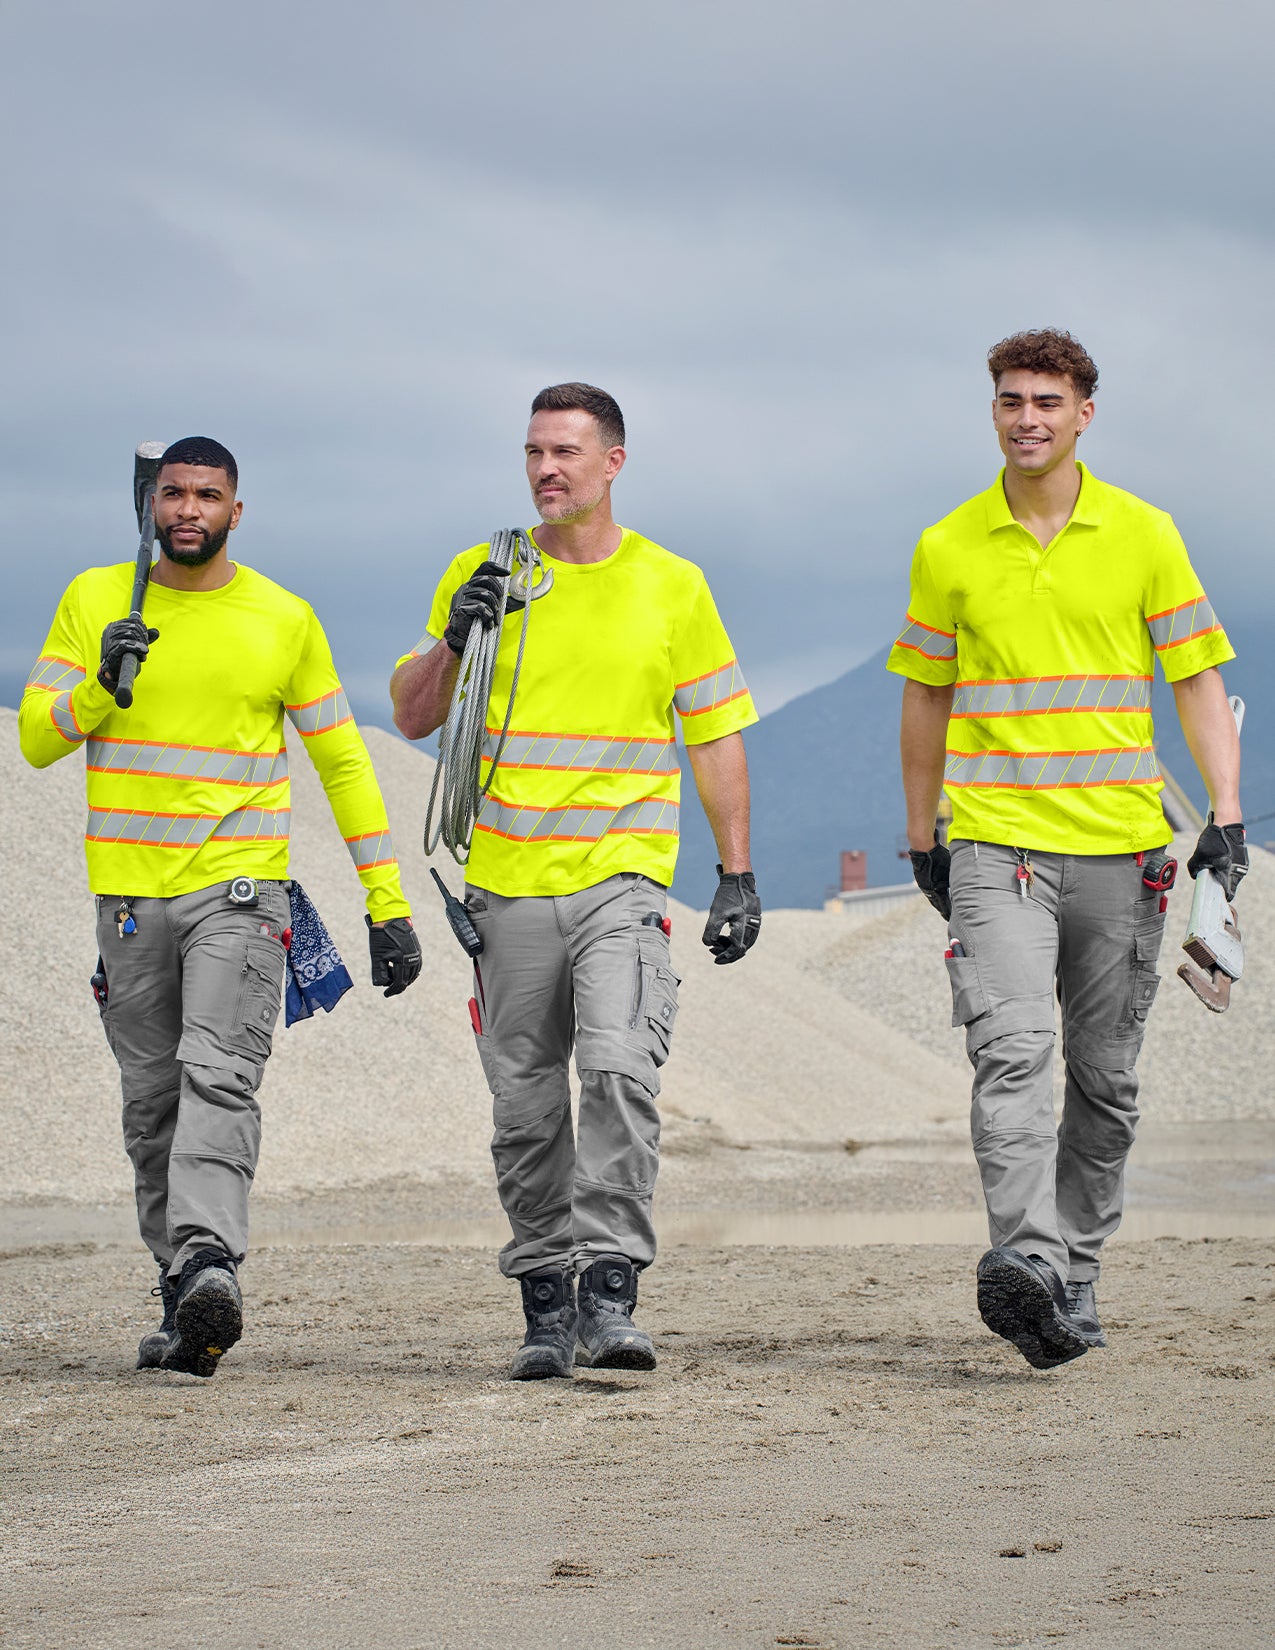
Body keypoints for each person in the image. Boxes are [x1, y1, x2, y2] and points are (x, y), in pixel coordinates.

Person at [20, 436, 422, 1378]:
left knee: (217, 1076)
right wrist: (95, 691)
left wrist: (386, 901)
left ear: (237, 511)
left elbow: (343, 762)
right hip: (125, 902)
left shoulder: (282, 617)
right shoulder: (92, 601)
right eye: (172, 494)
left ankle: (209, 1255)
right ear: (149, 505)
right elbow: (38, 740)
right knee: (150, 1105)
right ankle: (184, 1295)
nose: (188, 509)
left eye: (208, 495)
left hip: (240, 892)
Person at [889, 331, 1244, 1370]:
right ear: (992, 412)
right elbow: (925, 697)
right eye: (1010, 401)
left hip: (1124, 854)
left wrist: (1223, 813)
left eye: (1047, 400)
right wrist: (923, 834)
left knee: (1104, 1082)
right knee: (1010, 1057)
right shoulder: (947, 544)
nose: (1027, 417)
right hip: (998, 848)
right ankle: (1027, 1260)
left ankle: (1075, 1272)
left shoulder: (1144, 534)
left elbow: (1195, 678)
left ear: (1086, 412)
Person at [390, 383, 761, 1379]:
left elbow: (716, 736)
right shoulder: (491, 573)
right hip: (503, 884)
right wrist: (455, 637)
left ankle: (611, 1290)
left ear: (613, 463)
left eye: (564, 451)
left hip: (623, 878)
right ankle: (545, 1302)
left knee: (620, 1068)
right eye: (532, 452)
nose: (546, 469)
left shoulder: (672, 586)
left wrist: (737, 875)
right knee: (525, 1108)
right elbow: (414, 715)